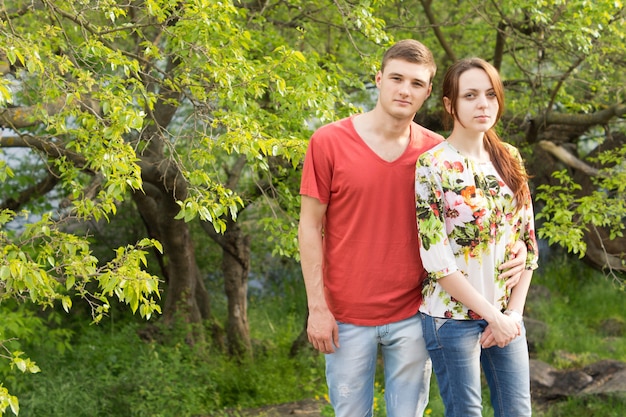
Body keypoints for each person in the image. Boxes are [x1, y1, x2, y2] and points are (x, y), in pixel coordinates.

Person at [298, 40, 528, 417]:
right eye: (396, 79)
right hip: (346, 314)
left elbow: (470, 225)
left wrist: (515, 251)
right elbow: (309, 228)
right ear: (379, 79)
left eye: (417, 84)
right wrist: (317, 308)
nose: (405, 90)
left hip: (412, 312)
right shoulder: (328, 142)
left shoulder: (435, 153)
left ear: (428, 94)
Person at [415, 57, 539, 417]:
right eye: (470, 95)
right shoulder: (432, 165)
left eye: (489, 94)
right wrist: (492, 317)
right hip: (451, 318)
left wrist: (512, 315)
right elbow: (437, 260)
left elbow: (528, 243)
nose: (483, 103)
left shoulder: (509, 158)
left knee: (517, 411)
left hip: (506, 316)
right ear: (450, 105)